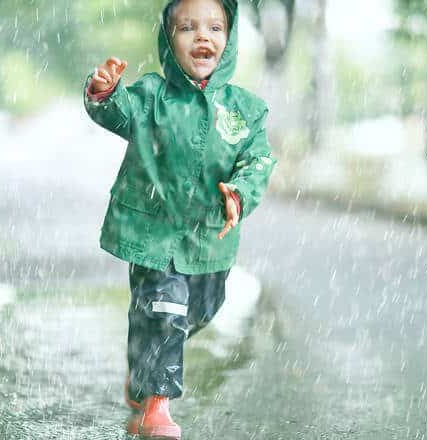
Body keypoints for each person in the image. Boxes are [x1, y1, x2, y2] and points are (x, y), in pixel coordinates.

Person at [83, 0, 277, 437]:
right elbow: (116, 113)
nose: (202, 36)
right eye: (187, 27)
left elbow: (259, 160)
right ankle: (158, 406)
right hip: (153, 232)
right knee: (165, 309)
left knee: (201, 308)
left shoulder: (245, 111)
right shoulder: (151, 95)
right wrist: (104, 92)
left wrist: (239, 194)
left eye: (214, 27)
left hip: (208, 240)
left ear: (229, 40)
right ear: (169, 41)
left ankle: (144, 366)